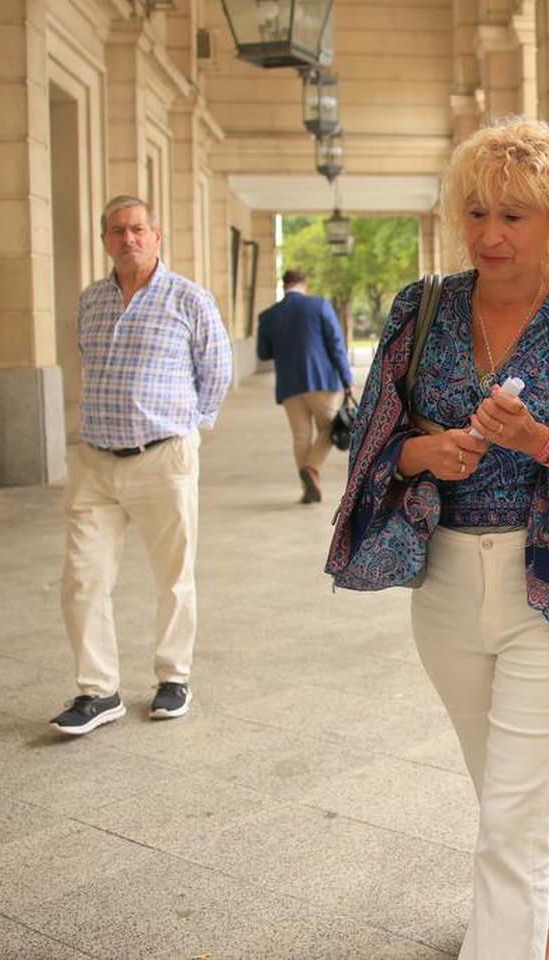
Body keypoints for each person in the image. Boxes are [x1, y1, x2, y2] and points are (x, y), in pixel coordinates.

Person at [325, 118, 549, 960]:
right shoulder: (422, 307)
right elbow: (369, 440)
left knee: (510, 815)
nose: (490, 234)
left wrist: (542, 443)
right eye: (476, 213)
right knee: (504, 796)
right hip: (443, 585)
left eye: (514, 216)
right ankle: (543, 933)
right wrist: (422, 453)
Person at [50, 195, 232, 736]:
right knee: (81, 579)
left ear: (156, 235)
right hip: (94, 462)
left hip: (162, 456)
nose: (127, 238)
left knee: (173, 578)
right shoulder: (90, 301)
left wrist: (189, 432)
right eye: (116, 231)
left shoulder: (189, 298)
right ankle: (97, 691)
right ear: (104, 241)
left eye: (136, 229)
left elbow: (217, 371)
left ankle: (173, 677)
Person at [255, 268, 354, 503]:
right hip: (322, 381)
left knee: (301, 436)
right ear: (304, 285)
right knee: (330, 429)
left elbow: (263, 353)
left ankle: (308, 487)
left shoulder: (268, 316)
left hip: (289, 384)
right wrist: (347, 380)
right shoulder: (319, 306)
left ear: (284, 286)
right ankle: (312, 468)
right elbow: (336, 344)